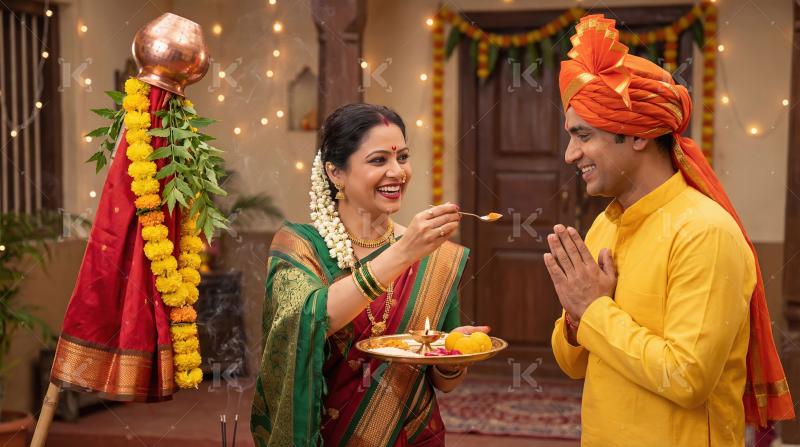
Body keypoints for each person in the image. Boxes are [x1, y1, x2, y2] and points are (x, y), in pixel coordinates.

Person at [547, 14, 794, 446]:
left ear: (637, 134)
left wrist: (594, 309)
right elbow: (573, 365)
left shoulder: (704, 232)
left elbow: (686, 379)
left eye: (583, 136)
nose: (571, 154)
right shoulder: (604, 227)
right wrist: (574, 316)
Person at [251, 103, 487, 446]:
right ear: (336, 173)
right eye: (379, 160)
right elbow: (312, 317)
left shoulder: (434, 257)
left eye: (403, 158)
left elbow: (444, 382)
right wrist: (404, 252)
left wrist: (455, 354)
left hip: (412, 436)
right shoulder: (299, 246)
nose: (397, 172)